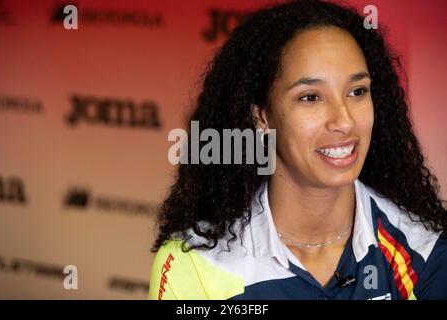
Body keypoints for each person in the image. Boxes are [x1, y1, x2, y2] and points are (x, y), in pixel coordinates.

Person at [148, 0, 447, 300]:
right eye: (310, 97)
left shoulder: (425, 254)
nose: (344, 121)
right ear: (261, 116)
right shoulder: (197, 262)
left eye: (357, 92)